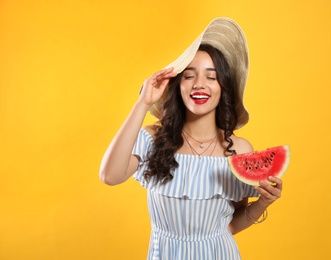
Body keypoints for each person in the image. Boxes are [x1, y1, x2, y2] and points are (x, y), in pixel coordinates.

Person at [99, 17, 283, 259]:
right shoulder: (153, 139)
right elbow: (109, 176)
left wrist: (263, 203)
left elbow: (229, 226)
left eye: (211, 76)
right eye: (189, 76)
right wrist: (143, 103)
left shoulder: (239, 149)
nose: (199, 85)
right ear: (178, 85)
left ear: (223, 87)